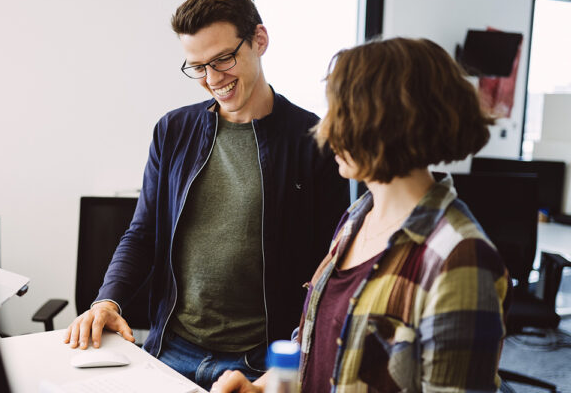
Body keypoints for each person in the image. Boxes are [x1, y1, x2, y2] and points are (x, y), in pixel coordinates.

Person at [63, 0, 349, 390]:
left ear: (259, 41)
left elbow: (330, 270)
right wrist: (107, 300)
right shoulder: (173, 130)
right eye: (198, 67)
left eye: (224, 59)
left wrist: (292, 366)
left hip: (261, 362)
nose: (213, 79)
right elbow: (142, 234)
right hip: (170, 350)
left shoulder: (313, 140)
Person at [211, 37, 511, 392]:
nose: (326, 131)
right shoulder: (358, 217)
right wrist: (261, 387)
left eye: (341, 115)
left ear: (386, 124)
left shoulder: (460, 259)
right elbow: (317, 342)